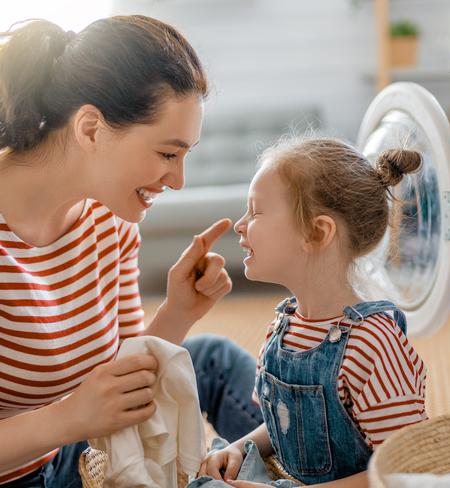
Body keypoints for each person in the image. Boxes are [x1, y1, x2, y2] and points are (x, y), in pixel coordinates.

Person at [0, 16, 262, 486]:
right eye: (167, 154)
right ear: (90, 129)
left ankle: (335, 467)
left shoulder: (109, 222)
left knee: (211, 360)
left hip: (82, 449)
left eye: (185, 156)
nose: (178, 180)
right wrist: (68, 419)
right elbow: (88, 410)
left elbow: (118, 376)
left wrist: (179, 312)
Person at [200, 138, 428, 487]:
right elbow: (285, 425)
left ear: (317, 232)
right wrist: (241, 447)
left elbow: (406, 468)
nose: (240, 224)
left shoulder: (373, 345)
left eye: (256, 211)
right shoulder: (283, 326)